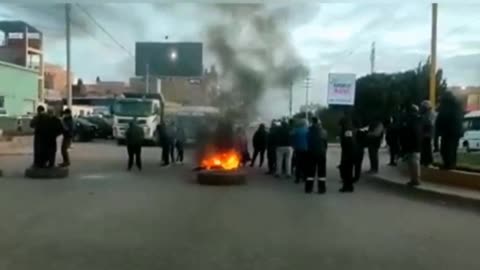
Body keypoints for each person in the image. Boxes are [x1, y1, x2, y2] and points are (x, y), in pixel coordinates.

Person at [436, 92, 463, 170]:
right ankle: (452, 164)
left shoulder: (447, 106)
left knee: (445, 149)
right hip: (455, 131)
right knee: (452, 149)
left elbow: (443, 117)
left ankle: (448, 165)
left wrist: (439, 129)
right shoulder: (456, 105)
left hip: (449, 131)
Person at [400, 104, 422, 186]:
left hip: (412, 145)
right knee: (413, 163)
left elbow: (411, 133)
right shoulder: (418, 119)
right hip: (415, 144)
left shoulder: (412, 120)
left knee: (413, 163)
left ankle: (415, 180)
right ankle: (414, 179)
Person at [305, 117, 328, 193]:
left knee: (310, 172)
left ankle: (308, 188)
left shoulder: (308, 131)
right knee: (321, 171)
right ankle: (322, 189)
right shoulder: (324, 131)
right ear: (319, 123)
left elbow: (306, 142)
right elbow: (325, 144)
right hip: (321, 153)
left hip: (311, 153)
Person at [338, 113, 356, 192]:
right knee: (349, 170)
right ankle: (350, 186)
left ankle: (347, 186)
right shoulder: (350, 129)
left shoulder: (347, 130)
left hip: (347, 153)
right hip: (350, 152)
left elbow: (349, 142)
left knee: (346, 170)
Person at [292, 119, 309, 183]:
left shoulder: (296, 130)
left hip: (298, 149)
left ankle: (297, 178)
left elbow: (292, 138)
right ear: (305, 124)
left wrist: (294, 145)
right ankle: (305, 177)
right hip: (306, 149)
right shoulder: (308, 130)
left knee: (298, 164)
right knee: (305, 164)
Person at [420, 100, 435, 167]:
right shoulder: (425, 114)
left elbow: (430, 123)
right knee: (424, 149)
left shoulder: (430, 114)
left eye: (423, 106)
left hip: (428, 134)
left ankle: (428, 162)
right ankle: (424, 161)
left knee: (428, 149)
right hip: (425, 134)